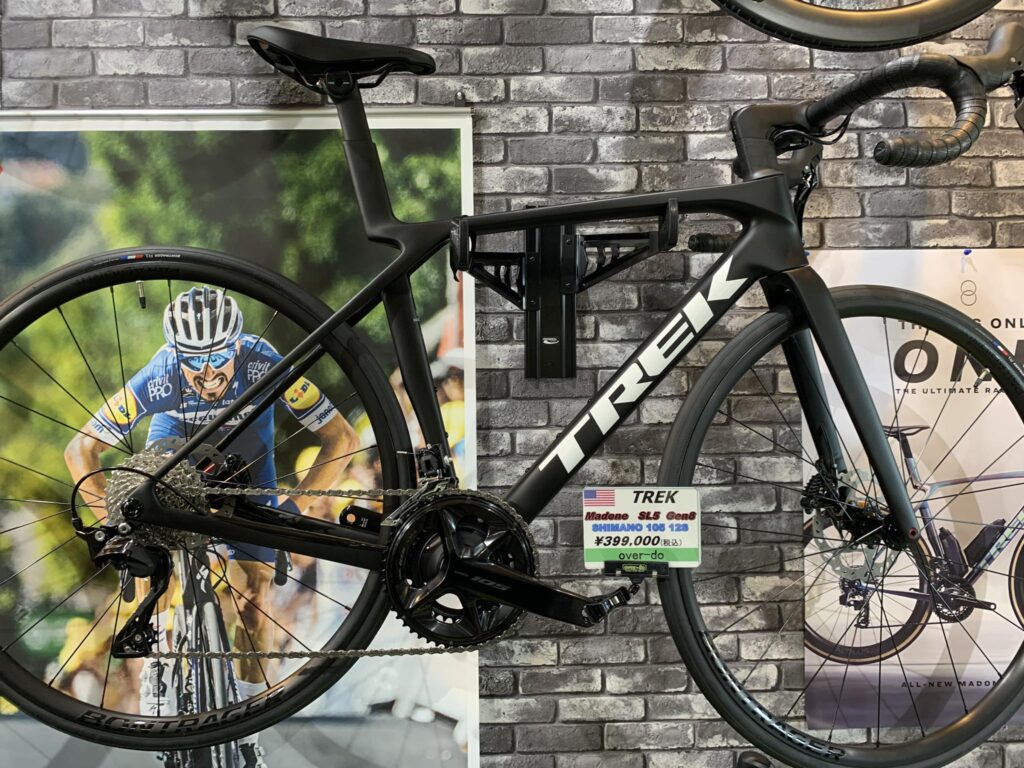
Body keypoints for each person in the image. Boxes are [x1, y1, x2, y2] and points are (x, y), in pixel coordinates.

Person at [65, 287, 360, 768]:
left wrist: (295, 507)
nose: (207, 375)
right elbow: (80, 450)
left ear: (238, 346)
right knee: (154, 572)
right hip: (174, 459)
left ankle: (247, 725)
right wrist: (115, 523)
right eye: (192, 364)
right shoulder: (159, 375)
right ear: (174, 355)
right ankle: (157, 663)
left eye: (219, 359)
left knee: (255, 602)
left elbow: (341, 438)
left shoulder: (263, 362)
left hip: (249, 466)